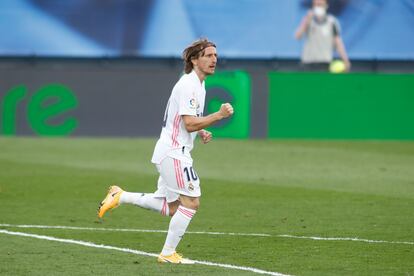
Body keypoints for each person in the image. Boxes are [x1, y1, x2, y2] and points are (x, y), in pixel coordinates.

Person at [97, 38, 234, 264]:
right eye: (208, 55)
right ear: (194, 59)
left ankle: (120, 196)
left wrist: (200, 132)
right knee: (192, 202)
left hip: (170, 150)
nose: (214, 60)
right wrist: (218, 116)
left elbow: (185, 119)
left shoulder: (198, 84)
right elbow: (189, 123)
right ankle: (168, 253)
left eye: (215, 56)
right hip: (174, 152)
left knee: (172, 207)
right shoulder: (188, 84)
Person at [295, 0, 351, 72]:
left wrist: (345, 60)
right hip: (307, 63)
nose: (318, 7)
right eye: (316, 5)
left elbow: (338, 42)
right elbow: (298, 36)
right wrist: (306, 21)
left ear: (326, 6)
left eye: (320, 5)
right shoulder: (308, 20)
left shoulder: (332, 22)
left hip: (324, 64)